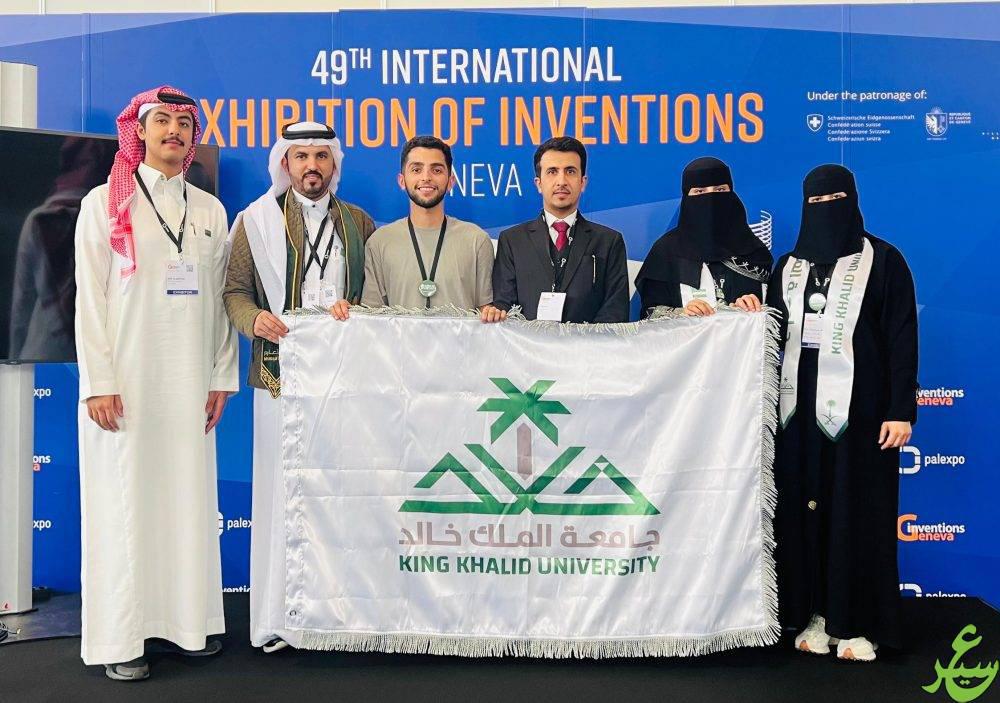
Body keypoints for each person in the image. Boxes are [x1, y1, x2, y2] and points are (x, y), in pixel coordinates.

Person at [74, 86, 238, 681]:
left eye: (184, 123)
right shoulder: (104, 203)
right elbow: (89, 299)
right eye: (162, 120)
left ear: (193, 137)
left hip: (189, 383)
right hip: (126, 386)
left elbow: (221, 301)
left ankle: (186, 627)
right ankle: (123, 640)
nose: (173, 130)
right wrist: (99, 381)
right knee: (126, 506)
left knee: (186, 503)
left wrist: (221, 374)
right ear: (139, 131)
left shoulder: (210, 210)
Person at [223, 121, 375, 652]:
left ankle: (340, 614)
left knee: (341, 494)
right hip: (279, 378)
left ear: (334, 165)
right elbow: (234, 291)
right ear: (284, 164)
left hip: (345, 380)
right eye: (301, 156)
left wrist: (357, 310)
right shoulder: (256, 220)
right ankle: (279, 617)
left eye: (321, 156)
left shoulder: (358, 222)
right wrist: (254, 320)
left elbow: (375, 295)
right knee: (282, 495)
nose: (312, 166)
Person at [767, 164, 918, 662]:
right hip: (797, 417)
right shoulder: (787, 268)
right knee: (804, 515)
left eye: (834, 200)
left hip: (864, 418)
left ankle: (858, 623)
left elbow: (902, 337)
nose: (825, 210)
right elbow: (769, 338)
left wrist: (901, 410)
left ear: (851, 201)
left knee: (858, 513)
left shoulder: (885, 261)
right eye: (816, 202)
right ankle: (815, 614)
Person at [489, 137, 629, 323]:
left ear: (583, 182)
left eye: (570, 171)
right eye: (552, 172)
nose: (561, 181)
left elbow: (616, 310)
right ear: (539, 183)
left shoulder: (609, 242)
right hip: (528, 341)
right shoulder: (512, 241)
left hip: (590, 342)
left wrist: (581, 340)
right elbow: (504, 306)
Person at [360, 135, 500, 321]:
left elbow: (487, 313)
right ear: (402, 181)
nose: (426, 177)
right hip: (400, 342)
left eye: (437, 170)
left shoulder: (476, 240)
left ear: (450, 182)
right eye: (416, 169)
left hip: (462, 341)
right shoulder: (379, 242)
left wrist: (493, 314)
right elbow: (371, 319)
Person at [634, 157, 772, 317]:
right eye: (700, 191)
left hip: (742, 333)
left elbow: (775, 311)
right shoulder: (666, 251)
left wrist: (751, 307)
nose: (711, 199)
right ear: (686, 197)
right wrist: (681, 313)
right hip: (686, 333)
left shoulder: (754, 251)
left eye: (720, 190)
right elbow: (650, 313)